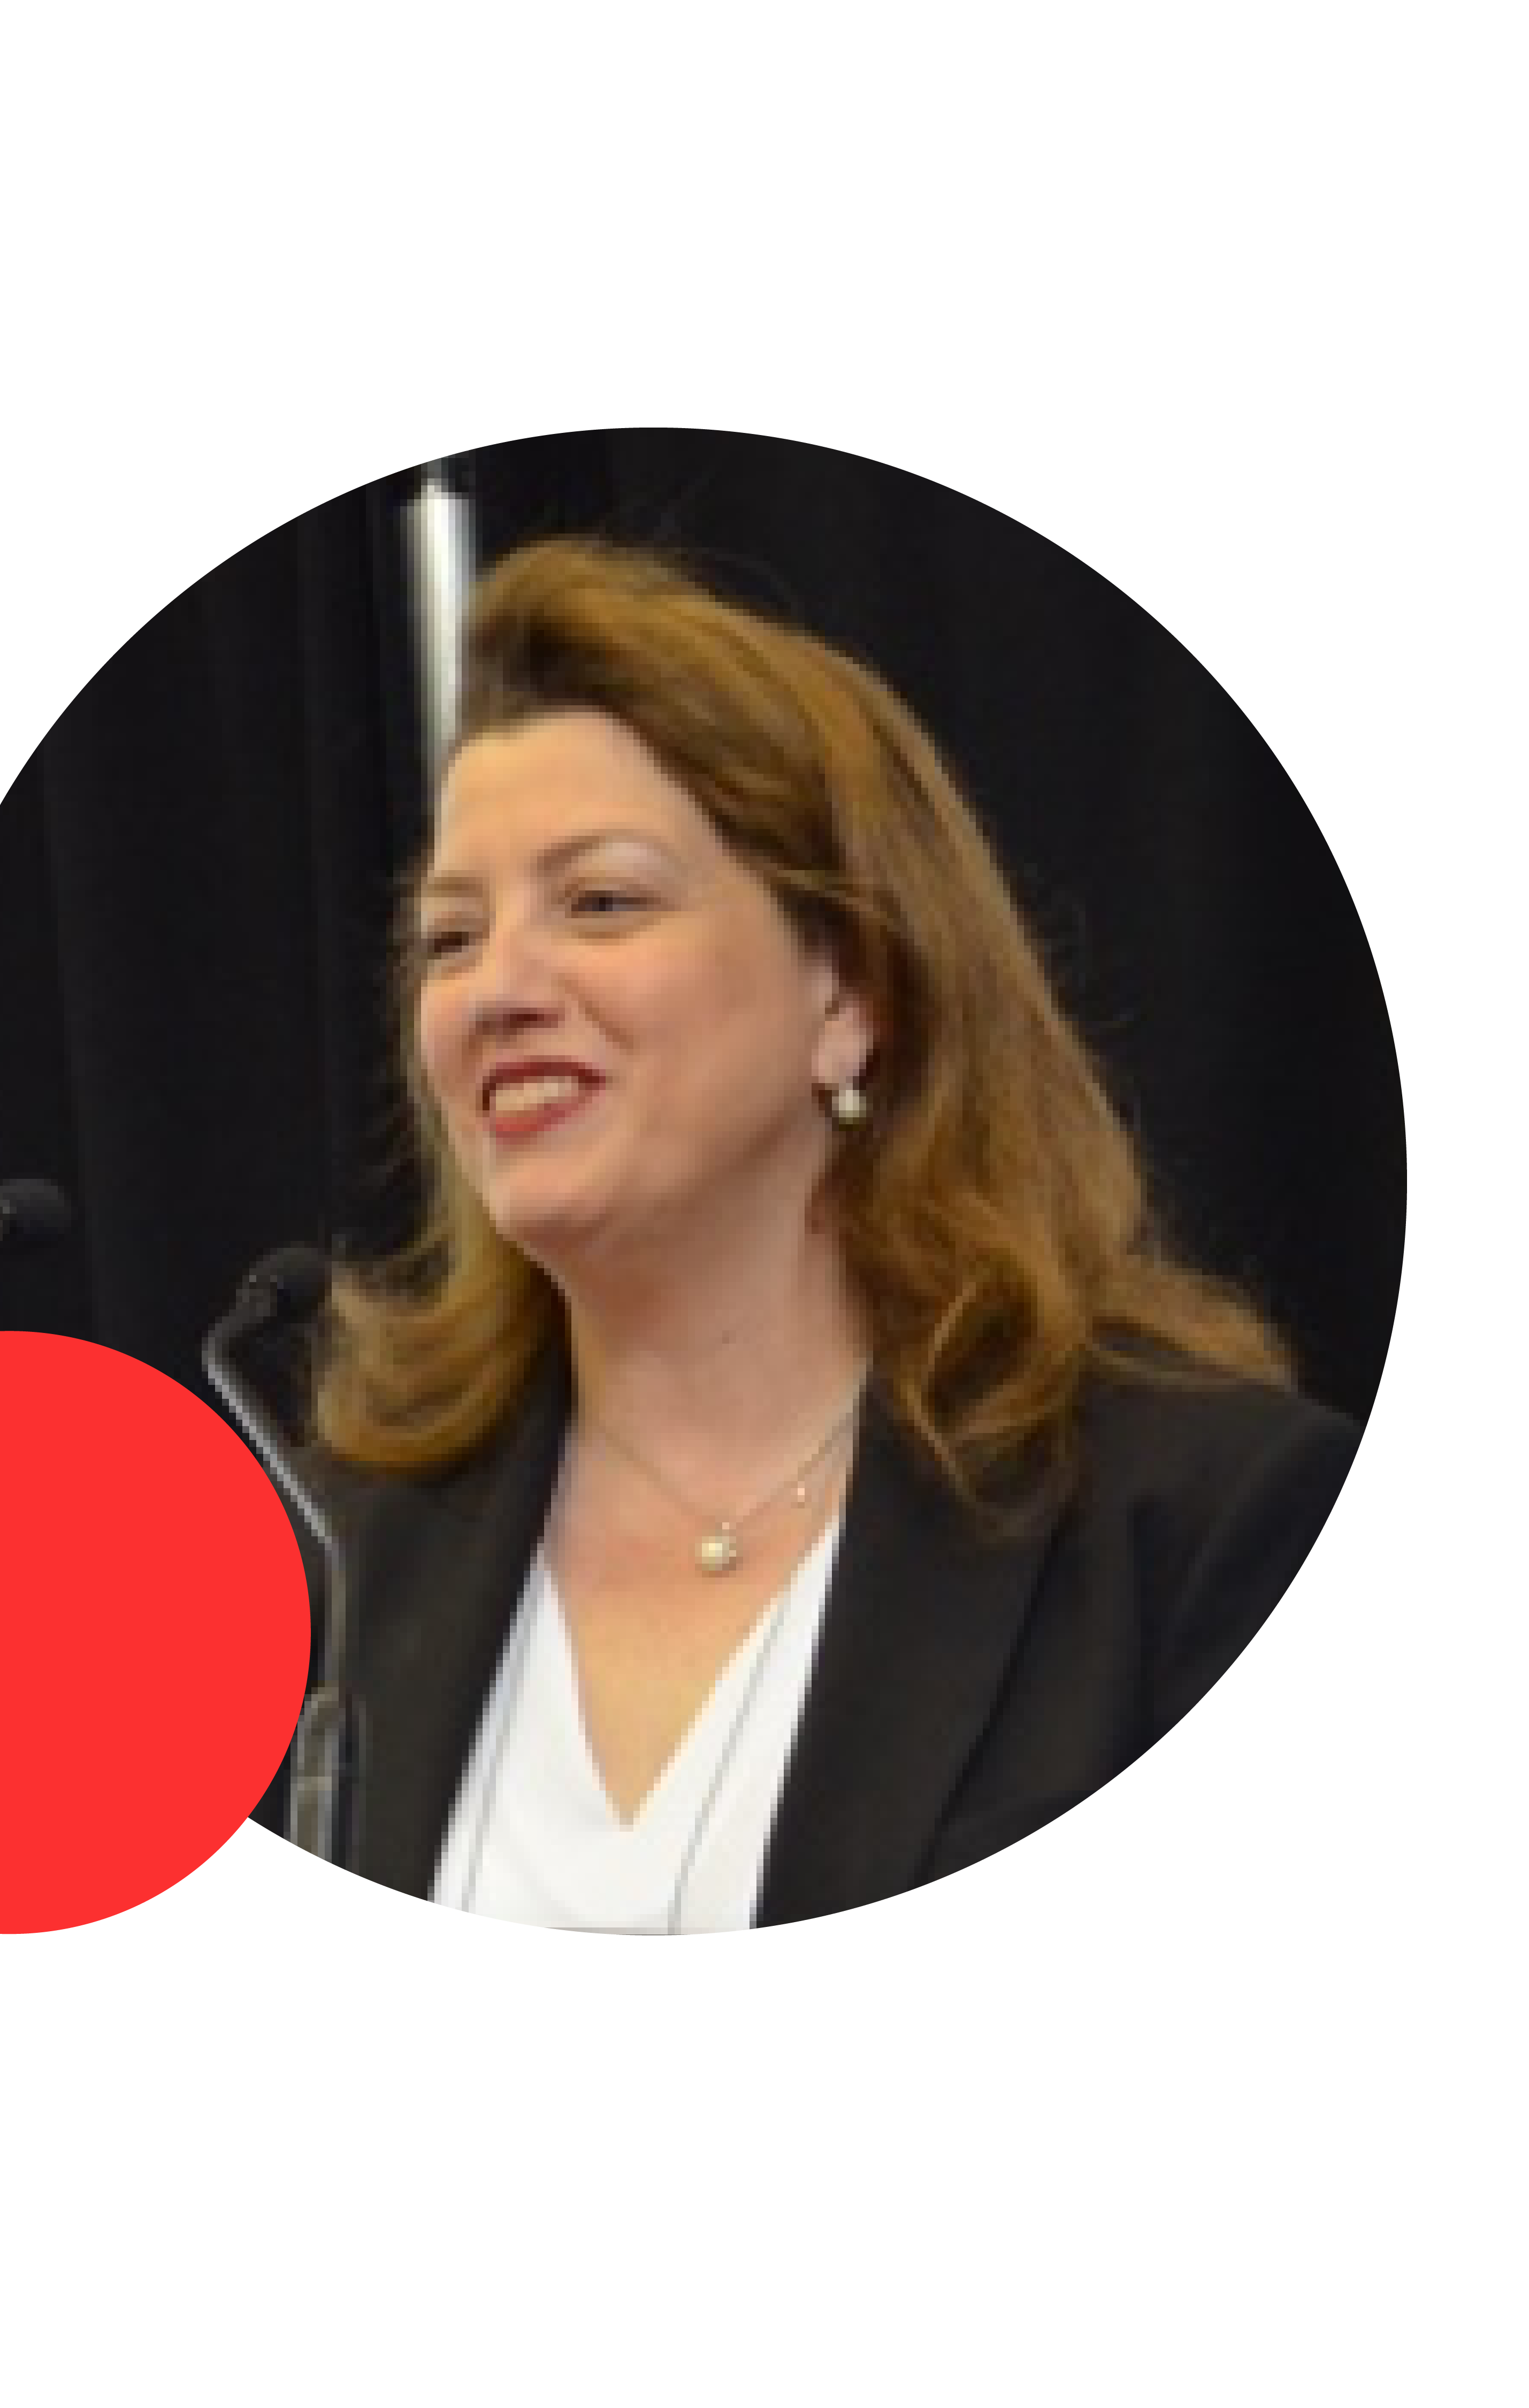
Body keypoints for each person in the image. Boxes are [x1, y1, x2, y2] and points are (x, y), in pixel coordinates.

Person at [271, 536, 1358, 1933]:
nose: (498, 991)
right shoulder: (328, 1563)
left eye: (601, 901)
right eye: (450, 938)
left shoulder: (1193, 1534)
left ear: (849, 993)